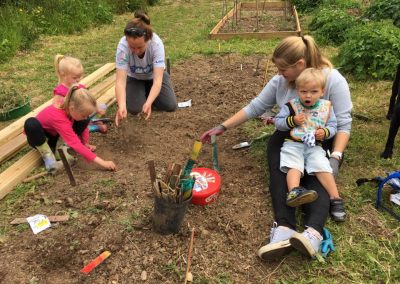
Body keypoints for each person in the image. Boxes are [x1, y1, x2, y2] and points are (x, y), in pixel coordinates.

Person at [201, 35, 352, 260]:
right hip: (289, 136)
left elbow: (343, 122)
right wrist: (223, 126)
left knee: (316, 175)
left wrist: (336, 156)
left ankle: (313, 232)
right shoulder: (281, 82)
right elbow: (256, 107)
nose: (280, 74)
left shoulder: (332, 80)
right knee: (282, 172)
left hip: (320, 138)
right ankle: (284, 228)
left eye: (283, 69)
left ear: (300, 65)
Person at [274, 68, 346, 222]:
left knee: (322, 167)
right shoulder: (291, 106)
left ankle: (335, 198)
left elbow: (334, 127)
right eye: (303, 91)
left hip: (315, 146)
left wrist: (325, 132)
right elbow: (278, 123)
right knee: (294, 165)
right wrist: (292, 121)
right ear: (297, 91)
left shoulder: (326, 108)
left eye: (313, 91)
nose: (308, 95)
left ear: (322, 91)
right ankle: (294, 192)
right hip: (293, 143)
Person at [24, 85, 117, 173]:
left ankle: (60, 150)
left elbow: (83, 122)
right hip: (43, 138)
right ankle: (48, 158)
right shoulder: (59, 117)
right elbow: (74, 142)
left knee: (83, 121)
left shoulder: (70, 105)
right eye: (83, 115)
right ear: (72, 108)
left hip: (55, 135)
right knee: (31, 123)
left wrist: (85, 143)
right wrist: (103, 163)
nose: (85, 117)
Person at [114, 10, 176, 125]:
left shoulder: (156, 44)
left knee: (170, 105)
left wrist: (148, 103)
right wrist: (121, 105)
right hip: (135, 78)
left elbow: (158, 80)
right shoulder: (122, 47)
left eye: (140, 47)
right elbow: (120, 81)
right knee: (134, 109)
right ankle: (143, 92)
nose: (136, 51)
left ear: (148, 40)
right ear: (126, 40)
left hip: (153, 77)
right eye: (132, 47)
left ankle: (148, 94)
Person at [53, 54, 108, 138]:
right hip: (71, 121)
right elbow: (58, 112)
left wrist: (97, 108)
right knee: (83, 122)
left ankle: (90, 122)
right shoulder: (60, 92)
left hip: (81, 114)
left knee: (102, 106)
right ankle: (92, 126)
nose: (78, 80)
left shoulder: (79, 87)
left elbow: (89, 100)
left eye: (80, 76)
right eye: (75, 77)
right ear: (63, 74)